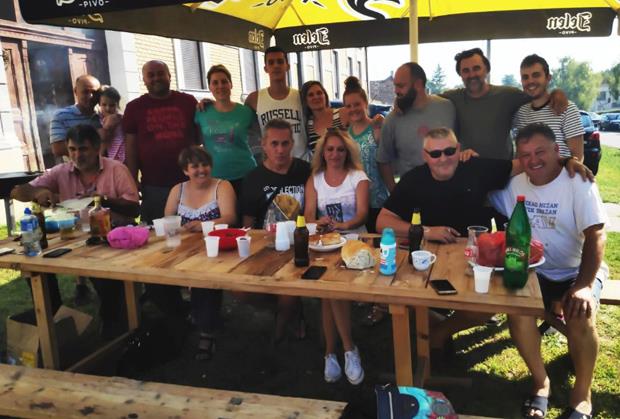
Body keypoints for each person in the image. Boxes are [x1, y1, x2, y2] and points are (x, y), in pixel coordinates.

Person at [375, 127, 592, 360]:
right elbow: (382, 222)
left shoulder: (477, 168)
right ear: (424, 156)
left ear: (458, 149)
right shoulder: (414, 179)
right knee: (403, 298)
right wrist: (428, 231)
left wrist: (566, 160)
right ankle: (431, 339)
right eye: (435, 154)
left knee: (487, 305)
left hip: (474, 257)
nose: (443, 158)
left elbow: (527, 162)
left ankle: (438, 334)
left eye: (449, 151)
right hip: (429, 258)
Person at [490, 123, 606, 419]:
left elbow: (596, 235)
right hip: (535, 271)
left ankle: (582, 395)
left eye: (540, 151)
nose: (533, 160)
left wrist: (583, 285)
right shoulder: (515, 185)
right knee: (517, 310)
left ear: (557, 150)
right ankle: (541, 383)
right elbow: (478, 190)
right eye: (525, 154)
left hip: (576, 269)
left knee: (580, 313)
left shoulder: (578, 182)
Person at [11, 124, 140, 339]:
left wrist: (103, 200)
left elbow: (134, 209)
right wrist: (38, 192)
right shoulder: (61, 171)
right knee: (37, 267)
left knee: (105, 277)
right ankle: (53, 317)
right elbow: (17, 191)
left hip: (114, 235)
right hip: (74, 236)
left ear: (97, 148)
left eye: (83, 149)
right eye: (72, 149)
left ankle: (115, 323)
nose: (77, 155)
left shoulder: (116, 169)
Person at [123, 59, 199, 316]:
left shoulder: (187, 102)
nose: (156, 78)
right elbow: (131, 147)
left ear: (169, 75)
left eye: (160, 74)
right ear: (144, 79)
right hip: (154, 186)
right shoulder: (134, 108)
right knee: (161, 242)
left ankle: (195, 291)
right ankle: (166, 298)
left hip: (188, 185)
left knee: (189, 239)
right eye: (150, 75)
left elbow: (199, 137)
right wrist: (131, 180)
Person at [304, 129, 369, 385]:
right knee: (329, 292)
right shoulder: (315, 179)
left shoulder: (357, 177)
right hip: (325, 243)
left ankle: (339, 350)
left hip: (354, 241)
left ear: (347, 152)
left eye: (340, 150)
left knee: (331, 291)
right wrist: (318, 222)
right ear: (322, 152)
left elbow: (362, 214)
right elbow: (308, 215)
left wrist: (343, 225)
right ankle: (342, 351)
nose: (335, 154)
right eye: (330, 149)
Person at [239, 119, 310, 341]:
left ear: (292, 144)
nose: (280, 150)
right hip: (266, 245)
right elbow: (248, 222)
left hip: (299, 245)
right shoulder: (253, 178)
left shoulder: (305, 170)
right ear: (264, 145)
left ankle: (281, 326)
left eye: (285, 143)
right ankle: (283, 309)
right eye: (274, 144)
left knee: (288, 291)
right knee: (239, 291)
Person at [164, 146, 236, 360]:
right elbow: (167, 219)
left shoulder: (222, 186)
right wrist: (176, 231)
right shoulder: (177, 190)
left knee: (204, 281)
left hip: (215, 249)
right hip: (182, 249)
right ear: (185, 170)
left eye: (205, 165)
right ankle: (182, 315)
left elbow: (230, 217)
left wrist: (203, 224)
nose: (201, 170)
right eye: (194, 166)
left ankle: (206, 332)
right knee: (155, 281)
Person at [376, 62, 455, 192]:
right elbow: (383, 160)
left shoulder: (447, 107)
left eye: (400, 86)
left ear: (418, 84)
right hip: (412, 194)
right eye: (395, 86)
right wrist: (395, 193)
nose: (396, 91)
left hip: (449, 192)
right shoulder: (392, 120)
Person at [195, 64, 257, 197]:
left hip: (245, 174)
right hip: (215, 176)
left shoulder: (246, 112)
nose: (220, 86)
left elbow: (261, 136)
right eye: (215, 83)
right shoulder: (202, 112)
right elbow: (196, 141)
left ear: (231, 84)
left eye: (224, 81)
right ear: (210, 87)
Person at [514, 54, 584, 161]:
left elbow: (578, 157)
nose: (530, 81)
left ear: (548, 78)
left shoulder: (567, 109)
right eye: (525, 77)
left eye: (536, 75)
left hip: (561, 172)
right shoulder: (521, 113)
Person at [343, 76, 389, 232]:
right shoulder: (346, 136)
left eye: (357, 104)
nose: (353, 109)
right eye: (348, 106)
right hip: (355, 203)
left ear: (365, 103)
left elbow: (387, 162)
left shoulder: (377, 127)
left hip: (378, 200)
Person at [244, 46, 307, 160]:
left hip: (301, 161)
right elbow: (242, 125)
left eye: (280, 61)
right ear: (265, 68)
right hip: (272, 163)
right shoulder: (254, 99)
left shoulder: (301, 96)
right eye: (271, 62)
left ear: (287, 66)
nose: (276, 66)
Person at [49, 75, 112, 159]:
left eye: (94, 92)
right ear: (76, 92)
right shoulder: (61, 116)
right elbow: (58, 149)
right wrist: (98, 137)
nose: (90, 96)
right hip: (77, 166)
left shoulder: (104, 115)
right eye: (85, 92)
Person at [300, 80, 344, 153]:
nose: (316, 97)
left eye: (319, 93)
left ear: (325, 96)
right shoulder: (307, 125)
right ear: (305, 101)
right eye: (310, 95)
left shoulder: (342, 113)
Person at [96, 85, 126, 162]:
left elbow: (104, 136)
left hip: (119, 154)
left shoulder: (115, 117)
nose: (108, 108)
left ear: (117, 105)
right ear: (99, 104)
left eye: (112, 105)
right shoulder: (101, 117)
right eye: (104, 105)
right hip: (112, 153)